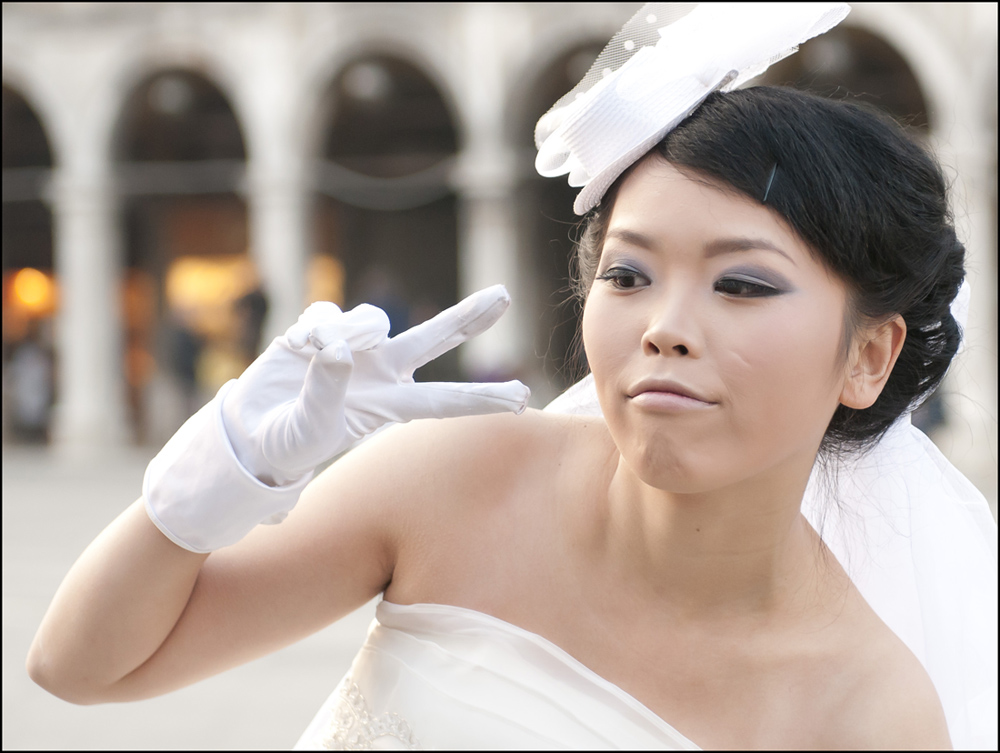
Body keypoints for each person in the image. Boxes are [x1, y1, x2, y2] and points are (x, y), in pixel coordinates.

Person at [26, 3, 996, 750]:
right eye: (628, 274)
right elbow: (83, 668)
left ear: (868, 355)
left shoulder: (869, 707)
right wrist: (224, 466)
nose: (664, 327)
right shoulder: (458, 481)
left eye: (741, 284)